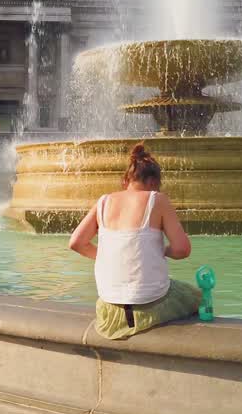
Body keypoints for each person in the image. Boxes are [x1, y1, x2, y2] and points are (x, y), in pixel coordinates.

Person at [68, 144, 196, 340]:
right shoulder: (157, 199)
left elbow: (76, 242)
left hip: (110, 306)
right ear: (153, 182)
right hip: (151, 301)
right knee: (196, 298)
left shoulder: (103, 201)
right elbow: (182, 249)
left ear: (125, 180)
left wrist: (106, 257)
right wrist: (163, 250)